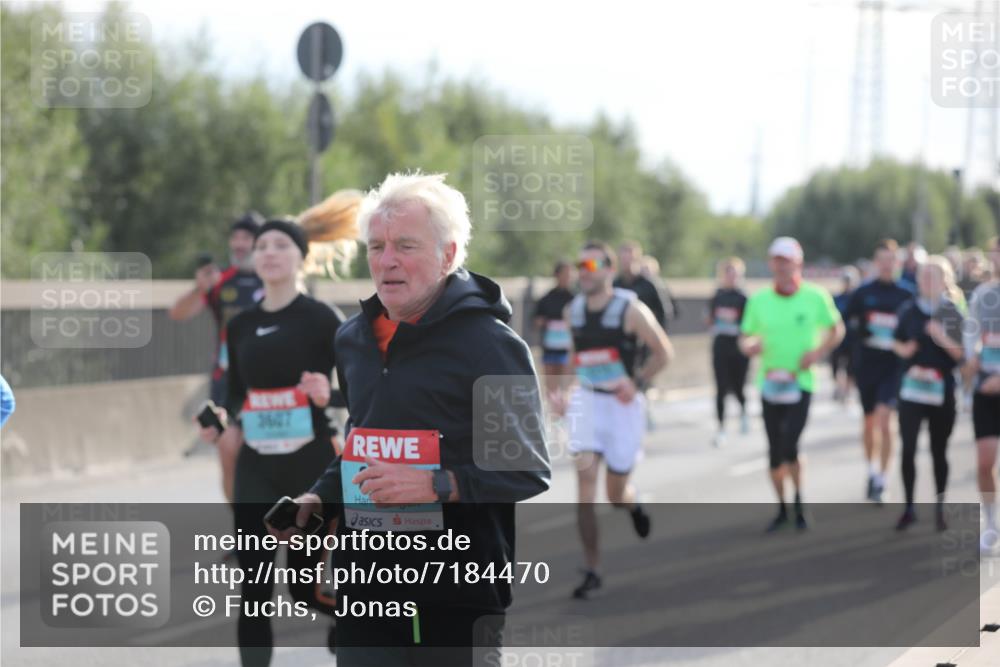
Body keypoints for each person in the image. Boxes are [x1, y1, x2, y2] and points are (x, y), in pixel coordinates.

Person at [283, 173, 551, 666]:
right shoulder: (352, 339)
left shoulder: (491, 345)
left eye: (405, 245)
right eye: (377, 246)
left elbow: (526, 468)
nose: (387, 260)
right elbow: (362, 439)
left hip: (457, 593)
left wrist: (436, 484)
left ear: (448, 255)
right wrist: (318, 497)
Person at [199, 191, 361, 667]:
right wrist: (221, 419)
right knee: (253, 590)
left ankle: (353, 621)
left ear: (300, 258)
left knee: (303, 589)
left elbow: (362, 393)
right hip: (257, 470)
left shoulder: (323, 319)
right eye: (262, 246)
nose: (268, 252)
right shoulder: (241, 326)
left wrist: (327, 395)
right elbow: (235, 394)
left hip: (310, 468)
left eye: (280, 245)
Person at [553, 240, 673, 599]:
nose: (584, 273)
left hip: (622, 407)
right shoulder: (572, 311)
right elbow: (575, 358)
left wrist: (636, 383)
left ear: (608, 270)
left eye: (591, 266)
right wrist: (566, 393)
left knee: (615, 493)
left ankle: (632, 504)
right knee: (585, 488)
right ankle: (592, 568)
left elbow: (663, 353)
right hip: (588, 403)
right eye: (580, 266)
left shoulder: (630, 309)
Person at [739, 237, 844, 532]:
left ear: (798, 263)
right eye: (776, 261)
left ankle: (799, 500)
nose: (781, 266)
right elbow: (745, 335)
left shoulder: (815, 296)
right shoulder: (759, 300)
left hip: (801, 382)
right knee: (775, 452)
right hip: (770, 383)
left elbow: (836, 329)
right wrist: (749, 346)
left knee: (790, 445)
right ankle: (782, 508)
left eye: (786, 261)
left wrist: (818, 353)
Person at [170, 212, 265, 503]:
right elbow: (177, 313)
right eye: (235, 237)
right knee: (228, 451)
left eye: (246, 237)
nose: (239, 244)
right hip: (226, 381)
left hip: (266, 382)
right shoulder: (220, 280)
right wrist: (199, 288)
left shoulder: (276, 279)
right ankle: (241, 523)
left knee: (264, 459)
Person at [892, 256, 967, 532]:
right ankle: (909, 507)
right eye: (923, 276)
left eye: (933, 277)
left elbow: (962, 356)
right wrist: (904, 350)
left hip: (942, 390)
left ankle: (940, 508)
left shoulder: (952, 312)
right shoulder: (908, 309)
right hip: (912, 389)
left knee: (939, 450)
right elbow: (896, 342)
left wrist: (941, 336)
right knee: (908, 449)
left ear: (945, 281)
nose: (927, 281)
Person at [843, 239, 913, 503]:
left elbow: (915, 329)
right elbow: (846, 324)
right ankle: (872, 471)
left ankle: (883, 479)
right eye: (881, 259)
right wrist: (856, 333)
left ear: (897, 263)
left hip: (894, 367)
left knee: (885, 419)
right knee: (869, 422)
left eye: (890, 259)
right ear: (875, 262)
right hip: (867, 366)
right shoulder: (863, 293)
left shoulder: (906, 294)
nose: (886, 264)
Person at [964, 237, 1000, 552]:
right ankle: (991, 524)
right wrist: (973, 358)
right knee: (984, 462)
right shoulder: (983, 294)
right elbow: (971, 335)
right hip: (985, 390)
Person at [706, 257, 750, 446]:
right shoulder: (717, 296)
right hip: (721, 345)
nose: (731, 277)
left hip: (738, 347)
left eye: (735, 273)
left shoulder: (744, 298)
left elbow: (750, 325)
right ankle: (721, 428)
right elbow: (710, 318)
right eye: (728, 273)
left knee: (739, 386)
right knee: (721, 387)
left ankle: (744, 412)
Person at [533, 260, 576, 398]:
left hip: (568, 349)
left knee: (567, 388)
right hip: (550, 348)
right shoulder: (547, 298)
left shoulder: (576, 299)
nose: (568, 277)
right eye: (565, 273)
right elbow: (536, 320)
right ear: (557, 275)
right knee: (551, 388)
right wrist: (544, 322)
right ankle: (553, 409)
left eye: (570, 274)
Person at [831, 265, 860, 405]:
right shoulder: (836, 298)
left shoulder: (858, 298)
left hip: (853, 338)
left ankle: (847, 391)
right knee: (835, 365)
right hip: (838, 339)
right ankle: (839, 387)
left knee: (851, 367)